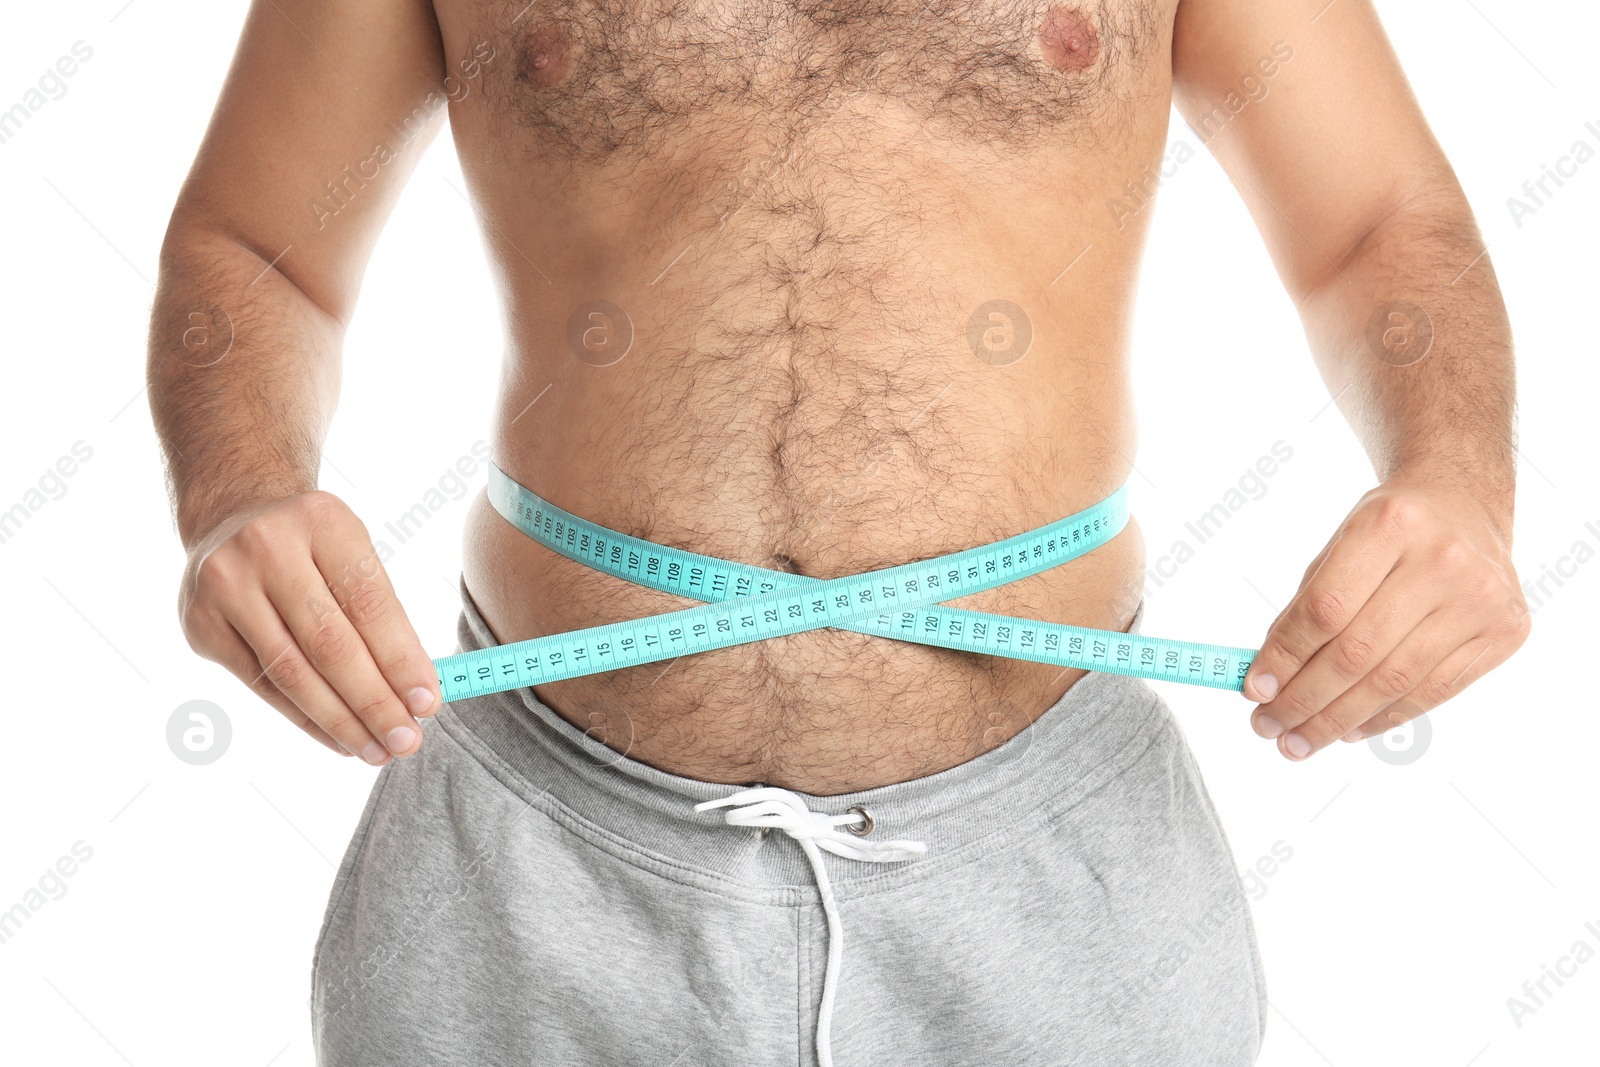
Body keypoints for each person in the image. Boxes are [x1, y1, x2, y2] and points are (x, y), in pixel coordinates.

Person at [149, 0, 1529, 1063]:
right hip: (530, 875)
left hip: (1058, 873)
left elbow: (1379, 224)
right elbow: (256, 246)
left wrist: (1458, 478)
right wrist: (241, 493)